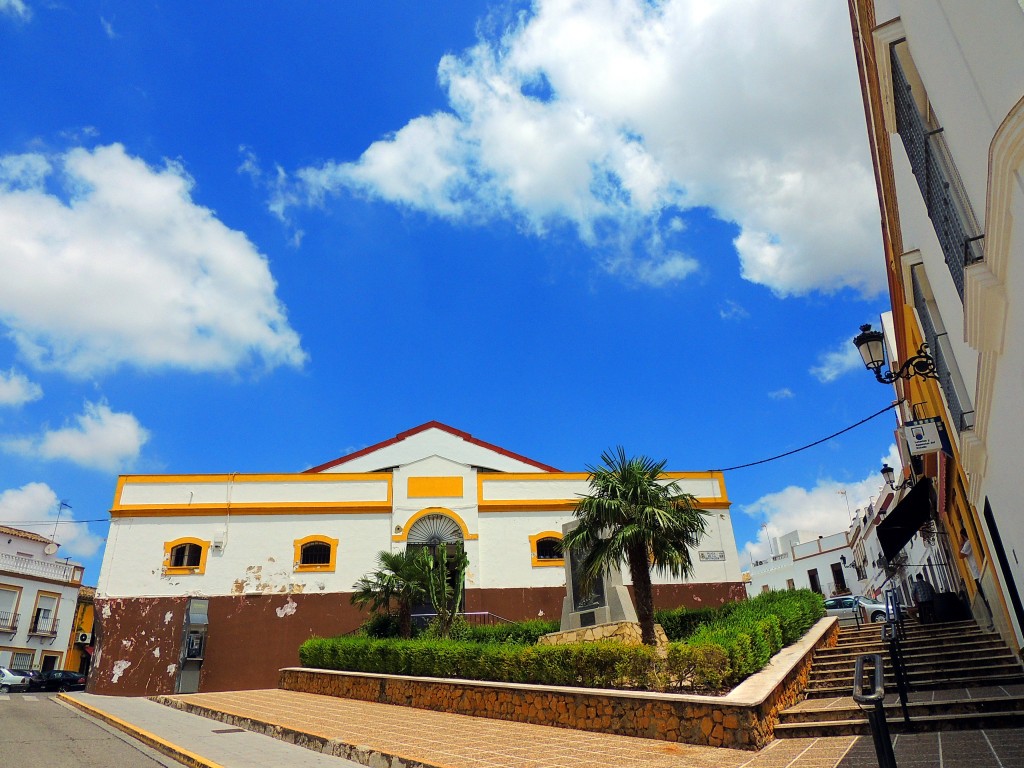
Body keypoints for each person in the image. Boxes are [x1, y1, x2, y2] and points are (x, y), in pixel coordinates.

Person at [959, 526, 993, 628]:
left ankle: (992, 620)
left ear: (963, 536)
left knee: (985, 597)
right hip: (977, 574)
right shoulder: (969, 543)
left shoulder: (968, 543)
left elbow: (960, 555)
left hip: (978, 574)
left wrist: (961, 543)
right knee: (984, 597)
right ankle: (991, 619)